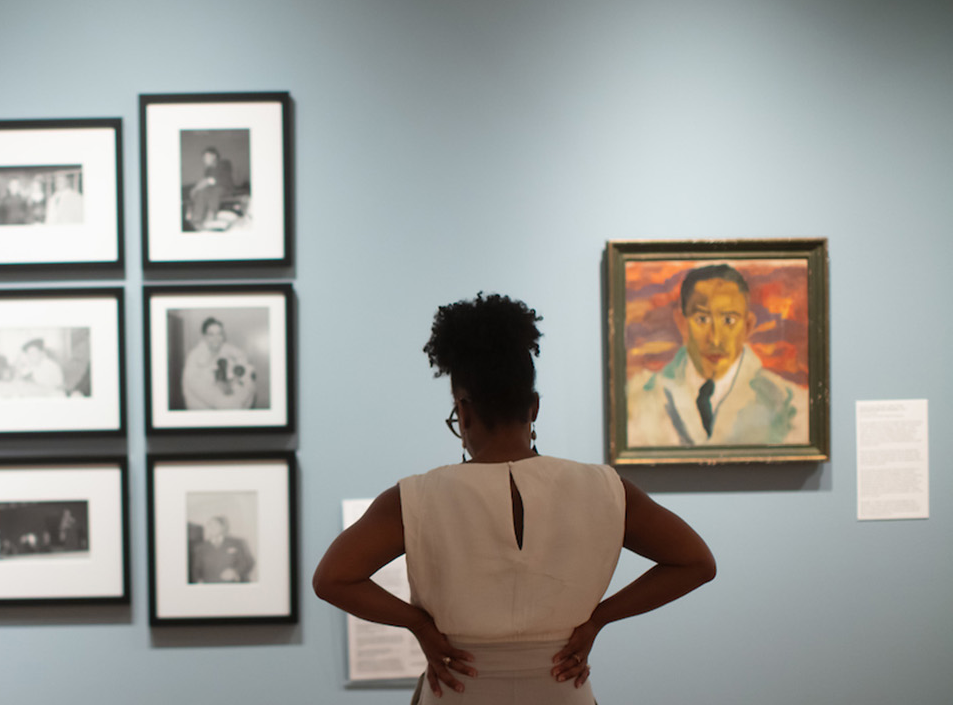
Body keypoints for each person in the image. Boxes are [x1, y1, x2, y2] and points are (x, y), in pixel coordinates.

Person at [313, 293, 716, 704]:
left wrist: (419, 625)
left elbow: (333, 579)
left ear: (463, 411)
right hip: (563, 691)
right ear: (533, 407)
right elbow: (696, 562)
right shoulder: (607, 488)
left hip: (459, 690)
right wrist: (598, 620)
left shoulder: (414, 498)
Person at [626, 264, 809, 447]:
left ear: (747, 326)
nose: (715, 339)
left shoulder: (790, 404)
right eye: (702, 319)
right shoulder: (641, 397)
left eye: (729, 320)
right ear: (681, 323)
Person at [180, 317, 255, 409]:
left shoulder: (224, 348)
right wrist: (237, 395)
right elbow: (212, 397)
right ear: (204, 337)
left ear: (223, 336)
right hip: (203, 411)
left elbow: (242, 357)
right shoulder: (195, 359)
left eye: (219, 333)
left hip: (225, 403)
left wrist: (236, 376)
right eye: (211, 334)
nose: (216, 338)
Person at [189, 515, 255, 583]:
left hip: (232, 585)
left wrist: (235, 572)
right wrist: (197, 583)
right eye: (209, 525)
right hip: (209, 586)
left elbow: (248, 562)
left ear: (223, 527)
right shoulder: (200, 547)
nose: (212, 527)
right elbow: (195, 569)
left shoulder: (237, 543)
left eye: (215, 525)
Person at [185, 146, 233, 230]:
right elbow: (207, 182)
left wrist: (195, 189)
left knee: (213, 191)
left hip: (225, 188)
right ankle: (197, 219)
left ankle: (211, 216)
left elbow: (210, 180)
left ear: (214, 156)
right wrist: (197, 190)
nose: (204, 159)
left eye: (206, 157)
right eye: (203, 158)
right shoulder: (208, 169)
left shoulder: (224, 163)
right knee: (202, 192)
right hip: (212, 189)